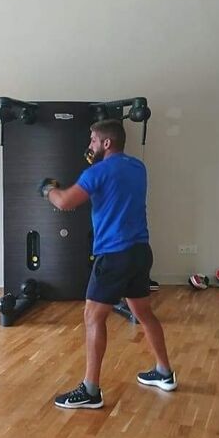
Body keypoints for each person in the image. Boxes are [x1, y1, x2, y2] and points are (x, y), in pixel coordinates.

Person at [40, 119, 176, 409]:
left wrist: (47, 189)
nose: (89, 145)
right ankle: (164, 372)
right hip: (140, 250)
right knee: (143, 312)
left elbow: (64, 202)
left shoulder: (97, 171)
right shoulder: (138, 167)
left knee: (92, 316)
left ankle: (90, 390)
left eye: (92, 140)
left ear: (106, 143)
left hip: (114, 254)